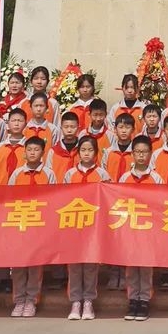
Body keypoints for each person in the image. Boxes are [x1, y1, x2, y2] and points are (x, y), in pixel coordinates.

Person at [8, 138, 56, 318]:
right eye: (29, 150)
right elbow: (9, 197)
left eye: (36, 150)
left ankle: (31, 300)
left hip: (39, 224)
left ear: (42, 153)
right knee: (19, 264)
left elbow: (54, 197)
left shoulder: (49, 174)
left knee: (35, 265)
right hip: (20, 222)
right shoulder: (17, 174)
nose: (33, 153)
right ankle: (19, 300)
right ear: (24, 152)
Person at [64, 135, 110, 320]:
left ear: (96, 153)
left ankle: (89, 300)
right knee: (74, 264)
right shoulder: (70, 174)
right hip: (73, 224)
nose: (86, 153)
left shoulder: (102, 174)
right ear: (78, 152)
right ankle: (75, 301)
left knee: (90, 265)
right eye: (83, 150)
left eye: (90, 150)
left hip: (94, 226)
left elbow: (108, 199)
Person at [119, 135, 163, 320]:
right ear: (132, 154)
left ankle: (144, 299)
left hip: (148, 228)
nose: (141, 156)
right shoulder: (125, 177)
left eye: (145, 152)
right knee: (131, 265)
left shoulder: (156, 178)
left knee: (145, 265)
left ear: (150, 154)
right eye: (138, 152)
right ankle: (132, 299)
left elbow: (161, 203)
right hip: (129, 227)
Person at [0, 108, 28, 184]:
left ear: (25, 124)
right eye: (13, 121)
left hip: (22, 188)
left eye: (20, 121)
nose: (16, 124)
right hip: (0, 188)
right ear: (8, 123)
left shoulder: (29, 148)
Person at [46, 111, 83, 182]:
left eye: (72, 127)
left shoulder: (83, 150)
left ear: (78, 128)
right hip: (58, 187)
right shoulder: (53, 152)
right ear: (61, 128)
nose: (69, 130)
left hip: (78, 187)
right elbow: (48, 174)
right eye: (66, 127)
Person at [103, 112, 136, 181]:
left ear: (133, 130)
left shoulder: (136, 152)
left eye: (127, 127)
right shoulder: (108, 152)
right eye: (121, 127)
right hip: (111, 187)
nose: (124, 131)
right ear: (115, 129)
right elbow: (103, 173)